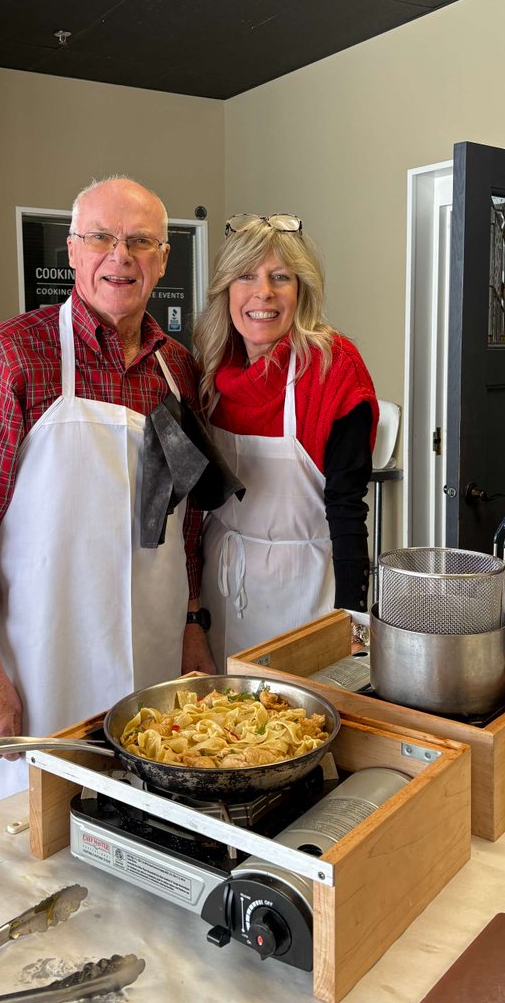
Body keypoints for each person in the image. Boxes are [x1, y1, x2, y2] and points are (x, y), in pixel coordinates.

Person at [0, 176, 216, 809]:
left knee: (148, 811)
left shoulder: (180, 369)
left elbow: (188, 522)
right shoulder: (3, 358)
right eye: (101, 238)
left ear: (163, 260)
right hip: (43, 655)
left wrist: (193, 625)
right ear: (73, 250)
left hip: (155, 642)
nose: (121, 256)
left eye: (141, 241)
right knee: (29, 825)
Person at [194, 213, 378, 669]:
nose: (263, 293)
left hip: (306, 590)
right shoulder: (209, 370)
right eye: (246, 276)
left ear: (302, 291)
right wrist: (189, 611)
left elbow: (348, 505)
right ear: (226, 291)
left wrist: (353, 621)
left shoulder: (333, 368)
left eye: (281, 278)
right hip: (223, 586)